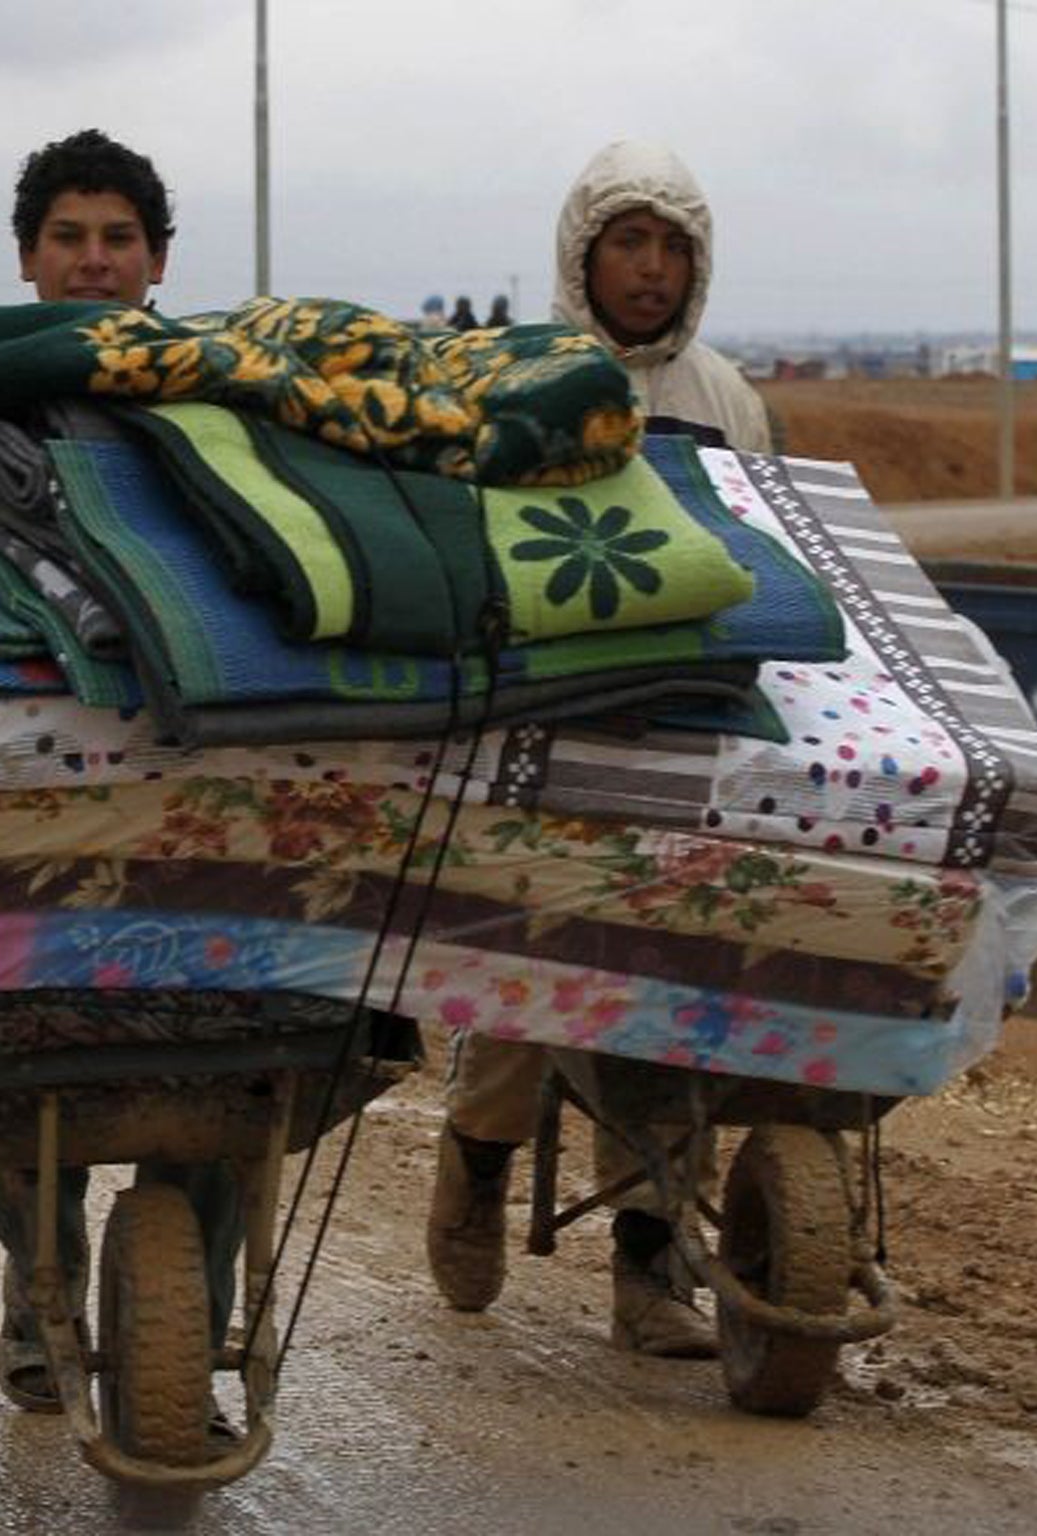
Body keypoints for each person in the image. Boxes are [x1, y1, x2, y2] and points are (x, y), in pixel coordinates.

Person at [425, 139, 777, 1358]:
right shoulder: (521, 377)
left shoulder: (728, 401)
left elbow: (768, 557)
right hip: (553, 723)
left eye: (671, 245)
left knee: (668, 994)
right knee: (529, 962)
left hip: (689, 724)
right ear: (583, 253)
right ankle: (472, 1166)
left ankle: (647, 1268)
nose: (650, 267)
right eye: (627, 240)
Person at [0, 129, 242, 1417]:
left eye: (116, 238)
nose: (92, 258)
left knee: (267, 1047)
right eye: (67, 236)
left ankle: (199, 1312)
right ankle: (41, 1281)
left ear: (157, 262)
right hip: (28, 786)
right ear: (26, 259)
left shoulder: (220, 400)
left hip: (206, 783)